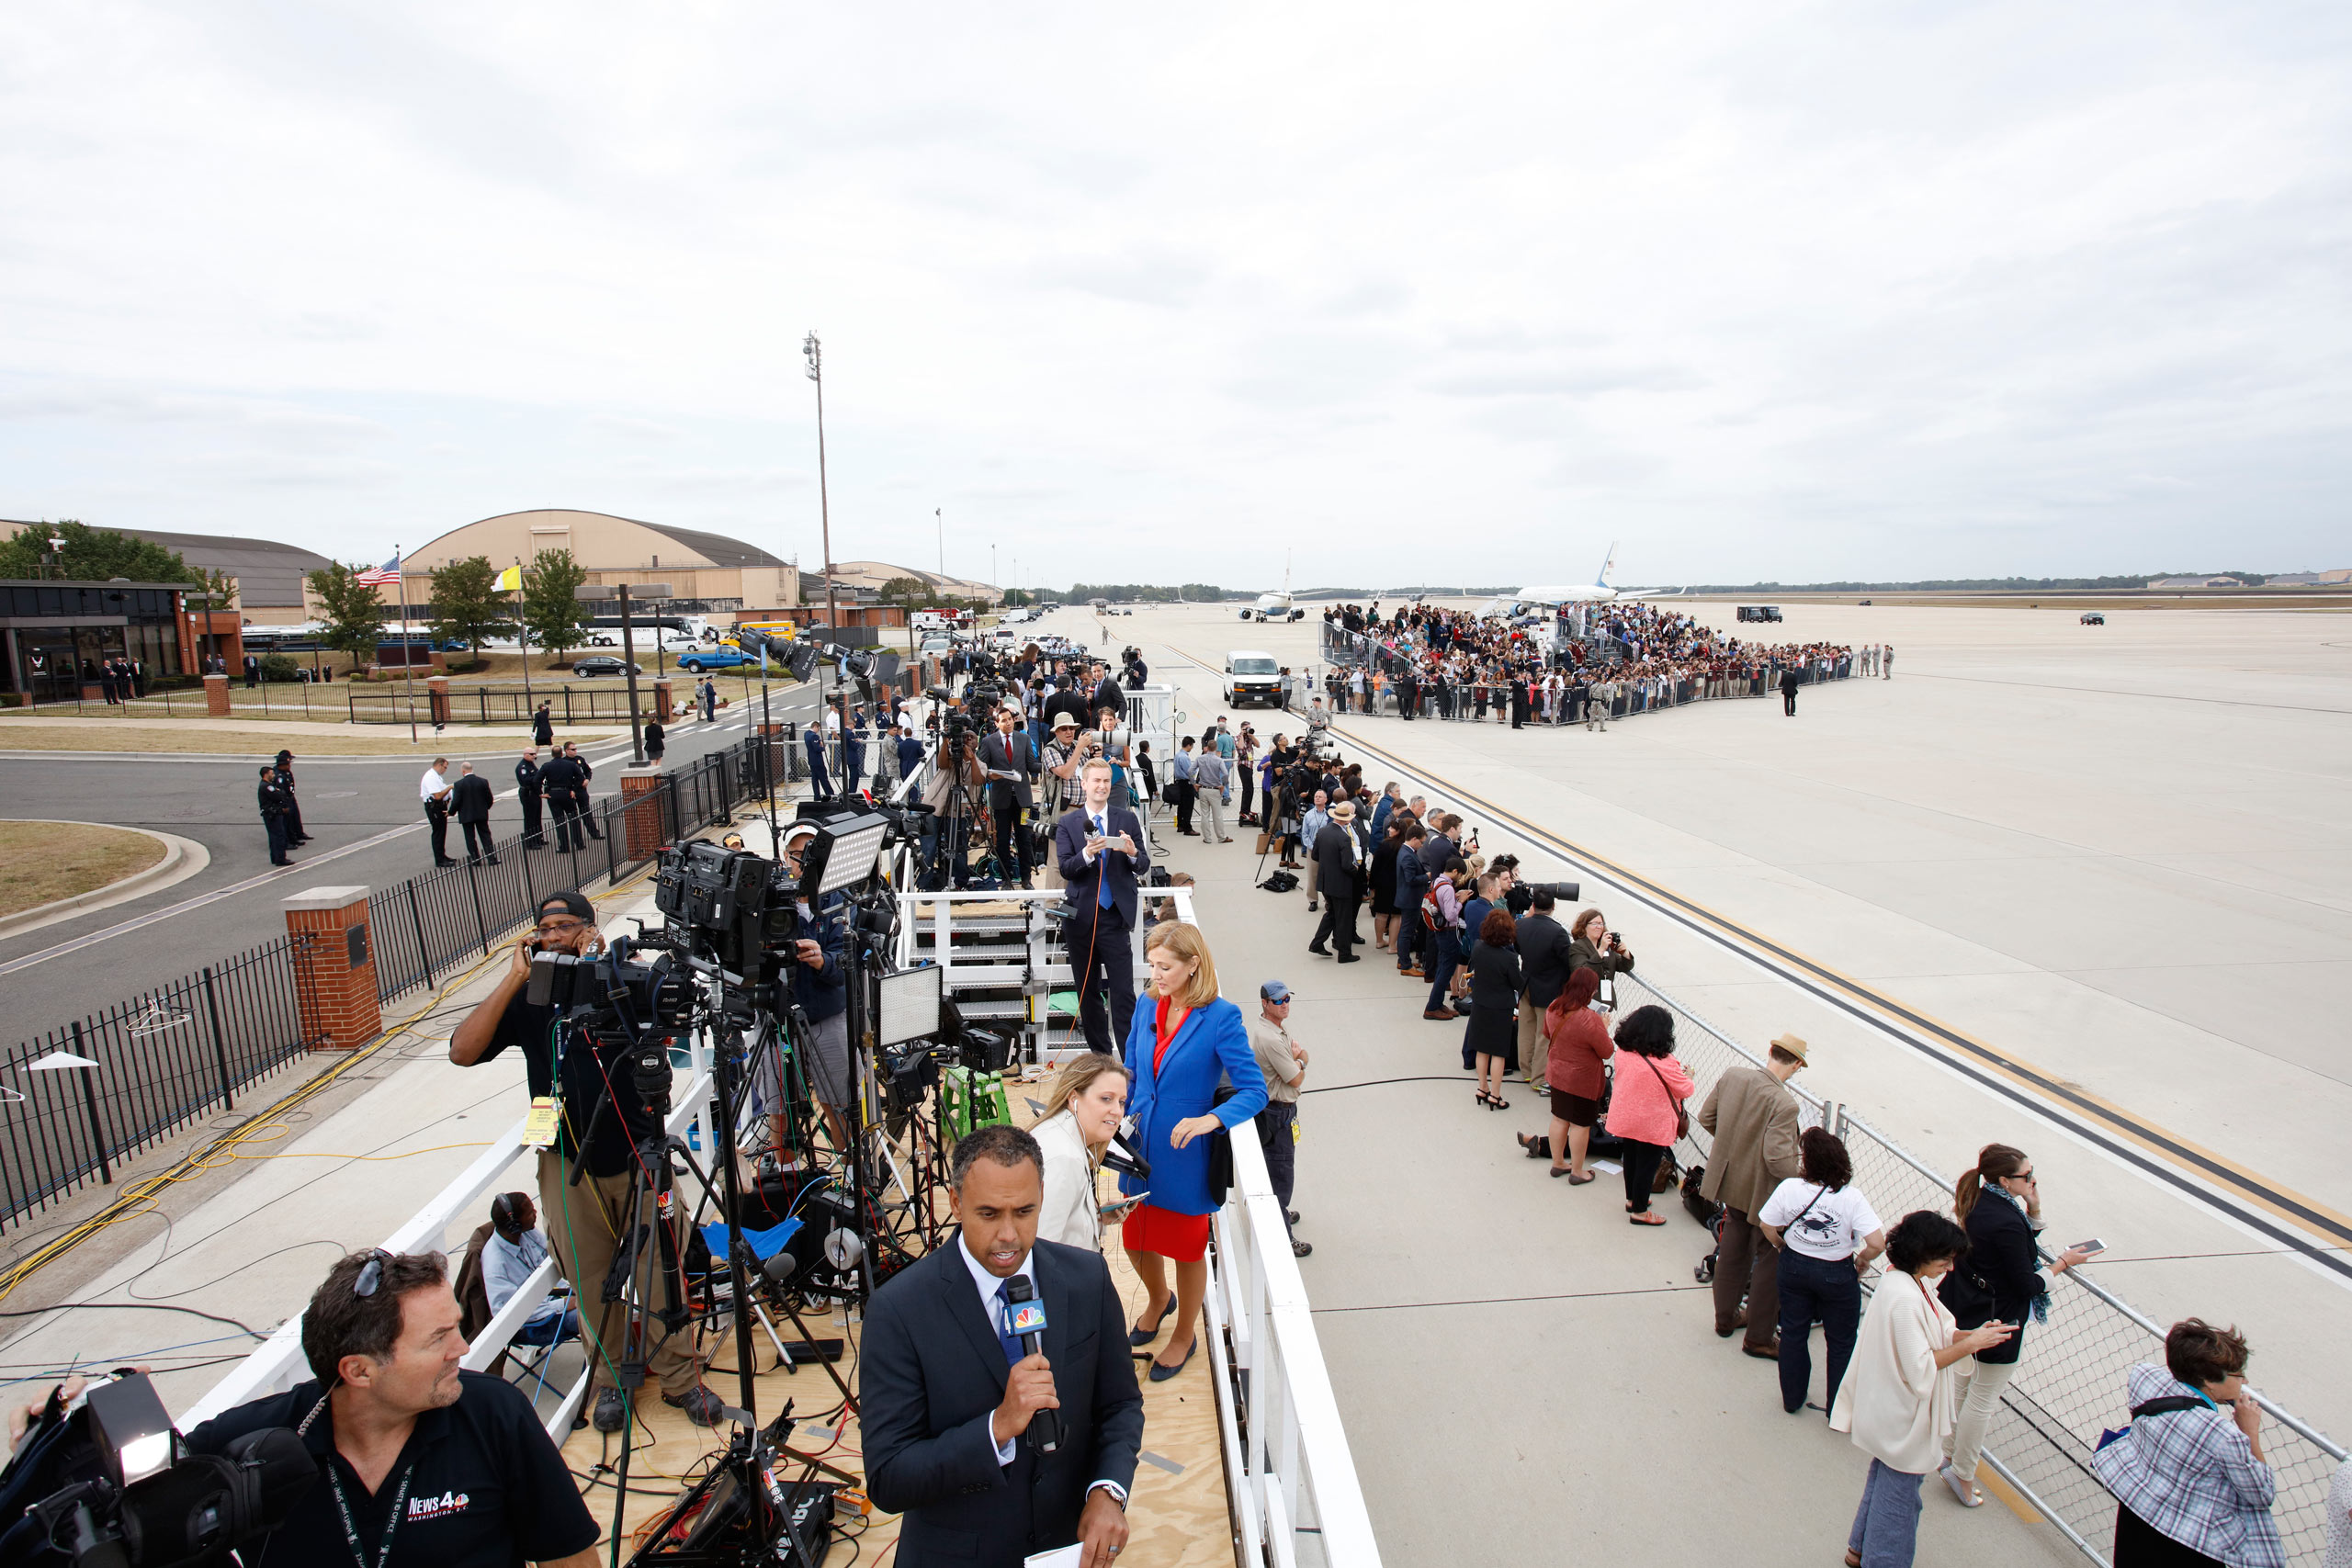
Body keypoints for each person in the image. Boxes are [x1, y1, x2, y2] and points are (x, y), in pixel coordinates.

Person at [447, 891, 720, 1433]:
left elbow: (675, 1013)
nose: (552, 934)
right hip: (566, 1162)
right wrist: (512, 979)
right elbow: (462, 1050)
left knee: (661, 1271)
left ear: (590, 927)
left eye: (564, 924)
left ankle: (680, 1379)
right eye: (543, 926)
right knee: (591, 1279)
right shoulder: (527, 1000)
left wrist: (606, 964)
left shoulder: (622, 980)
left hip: (639, 1155)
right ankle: (613, 1379)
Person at [181, 1249, 601, 1568]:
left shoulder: (496, 1414)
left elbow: (570, 1556)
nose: (463, 1348)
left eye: (456, 1326)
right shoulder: (249, 1444)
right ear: (360, 1371)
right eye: (439, 1338)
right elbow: (138, 1504)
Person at [858, 1124, 1145, 1568]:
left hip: (1066, 1550)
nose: (1009, 1235)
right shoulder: (898, 1310)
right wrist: (996, 1428)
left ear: (1043, 1196)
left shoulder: (1087, 1278)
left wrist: (1107, 1491)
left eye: (1024, 1211)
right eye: (989, 1214)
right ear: (955, 1203)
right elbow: (889, 1478)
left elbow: (1120, 1405)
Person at [1118, 921, 1268, 1381]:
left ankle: (1185, 1333)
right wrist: (1111, 1108)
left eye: (1165, 967)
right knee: (1133, 1239)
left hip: (1185, 1156)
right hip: (1140, 1145)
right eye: (1153, 965)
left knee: (1186, 1249)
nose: (1156, 974)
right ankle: (1160, 1299)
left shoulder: (1221, 1017)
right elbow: (1130, 1069)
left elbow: (1254, 1090)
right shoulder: (1148, 1003)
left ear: (1192, 965)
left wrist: (1212, 1119)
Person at [1831, 1211, 2015, 1568]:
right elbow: (1920, 1368)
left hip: (1888, 1409)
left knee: (1884, 1479)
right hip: (1904, 1415)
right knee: (1900, 1500)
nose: (1949, 1266)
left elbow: (1932, 1337)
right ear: (1921, 1253)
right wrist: (1970, 1343)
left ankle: (1859, 1548)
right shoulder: (1906, 1298)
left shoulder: (1901, 1280)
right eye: (1945, 1258)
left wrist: (1974, 1336)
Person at [1939, 1144, 2095, 1506]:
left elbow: (2012, 1251)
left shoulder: (1983, 1202)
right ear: (2006, 1181)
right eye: (2027, 1175)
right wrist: (2062, 1264)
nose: (2033, 1179)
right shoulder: (2006, 1219)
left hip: (1968, 1306)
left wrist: (2034, 1210)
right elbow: (2027, 1281)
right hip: (1998, 1318)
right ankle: (1962, 1473)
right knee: (1982, 1399)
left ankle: (1946, 1456)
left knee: (1962, 1387)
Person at [2090, 1318, 2281, 1567]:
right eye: (2238, 1374)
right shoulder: (2223, 1436)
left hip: (2137, 1515)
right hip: (2187, 1542)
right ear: (2210, 1380)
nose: (2244, 1382)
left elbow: (2163, 1375)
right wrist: (2250, 1432)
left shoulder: (2144, 1380)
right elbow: (2262, 1492)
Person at [1697, 1031, 1808, 1358]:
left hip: (1731, 1181)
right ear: (1798, 1065)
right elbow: (1776, 1158)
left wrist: (1735, 1148)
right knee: (1770, 1259)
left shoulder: (1734, 1076)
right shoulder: (1784, 1104)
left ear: (1770, 1050)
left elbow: (1706, 1118)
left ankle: (1725, 1318)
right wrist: (1804, 1182)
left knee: (1732, 1247)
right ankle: (1759, 1337)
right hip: (1764, 1192)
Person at [1760, 1128, 1885, 1418]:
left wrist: (1782, 1246)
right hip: (1837, 1272)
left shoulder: (1790, 1188)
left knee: (1793, 1332)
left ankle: (1792, 1399)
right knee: (1841, 1341)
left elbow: (1767, 1224)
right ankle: (1837, 1409)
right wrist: (1863, 1260)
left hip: (1793, 1266)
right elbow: (1877, 1242)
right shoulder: (1851, 1198)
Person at [757, 820, 854, 1157]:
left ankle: (850, 1174)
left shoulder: (838, 901)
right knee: (778, 1108)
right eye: (799, 855)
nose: (804, 862)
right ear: (786, 857)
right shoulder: (766, 902)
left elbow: (846, 964)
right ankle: (784, 1173)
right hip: (777, 1023)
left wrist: (822, 960)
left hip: (828, 1017)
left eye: (812, 855)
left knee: (840, 1104)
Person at [1055, 758, 1151, 1055]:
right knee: (1088, 992)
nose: (1102, 786)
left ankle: (1130, 1059)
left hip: (1114, 917)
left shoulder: (1127, 819)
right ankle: (1101, 1057)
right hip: (1081, 918)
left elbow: (1143, 864)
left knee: (1124, 993)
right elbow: (1067, 869)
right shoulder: (1068, 823)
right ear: (1084, 784)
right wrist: (1086, 854)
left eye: (1106, 781)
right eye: (1096, 781)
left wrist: (1133, 852)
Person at [1033, 1053, 1135, 1251]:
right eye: (1106, 1099)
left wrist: (1096, 1216)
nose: (1117, 1110)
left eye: (1121, 1102)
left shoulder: (1060, 1135)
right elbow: (1042, 1249)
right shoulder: (1064, 1159)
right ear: (1073, 1099)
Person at [1602, 1004, 1690, 1225]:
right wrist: (1687, 1075)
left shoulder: (1623, 1051)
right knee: (1647, 1165)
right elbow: (1686, 1089)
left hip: (1626, 1115)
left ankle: (1633, 1199)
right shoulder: (1666, 1062)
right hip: (1652, 1122)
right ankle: (1640, 1212)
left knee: (1631, 1158)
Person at [1248, 980, 1311, 1258]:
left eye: (1287, 999)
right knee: (1281, 1174)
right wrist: (1300, 1060)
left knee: (1280, 1169)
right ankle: (1283, 1233)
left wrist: (1299, 1059)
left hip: (1281, 1110)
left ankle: (1280, 1211)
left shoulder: (1274, 1028)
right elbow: (1296, 1075)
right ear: (1265, 1003)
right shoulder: (1271, 1038)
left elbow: (1300, 1059)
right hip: (1277, 1113)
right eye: (1278, 1000)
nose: (1284, 1004)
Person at [480, 1191, 582, 1348]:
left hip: (556, 1298)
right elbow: (509, 1315)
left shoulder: (526, 1232)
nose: (535, 1213)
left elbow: (554, 1257)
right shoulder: (496, 1266)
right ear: (514, 1225)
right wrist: (563, 1304)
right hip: (534, 1324)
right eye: (529, 1213)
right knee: (594, 1316)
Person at [1462, 907, 1522, 1105]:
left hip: (1480, 1003)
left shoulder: (1478, 947)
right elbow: (1517, 983)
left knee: (1482, 1049)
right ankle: (1495, 1095)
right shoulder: (1509, 958)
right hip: (1500, 1008)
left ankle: (1482, 1088)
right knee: (1498, 1053)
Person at [1514, 886, 1575, 1083]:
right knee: (1543, 1035)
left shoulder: (1522, 926)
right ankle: (1539, 1078)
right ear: (1553, 906)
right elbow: (1568, 961)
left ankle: (1526, 1071)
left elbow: (1516, 948)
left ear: (1533, 905)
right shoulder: (1558, 932)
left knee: (1525, 1030)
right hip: (1549, 988)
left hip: (1526, 985)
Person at [979, 705, 1040, 888]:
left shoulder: (1024, 739)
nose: (1008, 723)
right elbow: (983, 769)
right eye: (1004, 720)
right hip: (1002, 799)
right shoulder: (989, 742)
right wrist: (991, 775)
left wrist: (1049, 766)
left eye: (1010, 719)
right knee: (1003, 840)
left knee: (1024, 838)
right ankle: (1006, 878)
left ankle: (1026, 878)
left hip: (1022, 799)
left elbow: (1031, 765)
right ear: (997, 723)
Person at [1308, 800, 1366, 962]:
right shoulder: (1344, 838)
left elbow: (1315, 855)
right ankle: (1344, 953)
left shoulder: (1323, 832)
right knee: (1344, 918)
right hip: (1341, 884)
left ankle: (1317, 943)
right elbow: (1347, 865)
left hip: (1326, 882)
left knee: (1332, 914)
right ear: (1346, 819)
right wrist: (1356, 871)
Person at [1421, 859, 1471, 1020]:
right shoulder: (1448, 888)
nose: (1460, 878)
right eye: (1460, 874)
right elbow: (1450, 914)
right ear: (1455, 871)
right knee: (1446, 971)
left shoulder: (1437, 881)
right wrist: (1461, 901)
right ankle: (1432, 1007)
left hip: (1440, 931)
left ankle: (1437, 1003)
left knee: (1443, 968)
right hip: (1449, 932)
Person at [1566, 908, 1634, 1008]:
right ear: (1584, 926)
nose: (1599, 927)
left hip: (1606, 1003)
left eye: (1601, 924)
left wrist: (1625, 953)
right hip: (1587, 1003)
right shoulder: (1578, 946)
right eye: (1594, 924)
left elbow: (1625, 966)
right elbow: (1581, 972)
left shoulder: (1605, 945)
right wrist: (1601, 950)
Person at [449, 761, 499, 865]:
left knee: (470, 837)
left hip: (466, 815)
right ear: (471, 770)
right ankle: (491, 858)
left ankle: (476, 860)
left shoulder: (459, 784)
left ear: (463, 771)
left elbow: (456, 801)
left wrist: (451, 812)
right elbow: (489, 798)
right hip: (481, 813)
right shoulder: (483, 781)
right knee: (485, 835)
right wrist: (486, 808)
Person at [538, 746, 584, 852]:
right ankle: (579, 843)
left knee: (559, 821)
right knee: (574, 819)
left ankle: (564, 846)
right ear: (562, 753)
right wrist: (574, 789)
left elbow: (537, 780)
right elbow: (580, 777)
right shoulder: (571, 765)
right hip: (567, 793)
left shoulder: (547, 766)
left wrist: (541, 793)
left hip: (553, 794)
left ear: (552, 754)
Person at [1193, 738, 1231, 844]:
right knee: (1217, 815)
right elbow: (1225, 774)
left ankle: (1207, 838)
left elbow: (1190, 770)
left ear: (1207, 748)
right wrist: (1223, 785)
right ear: (1216, 748)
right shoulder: (1219, 760)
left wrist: (1194, 783)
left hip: (1203, 789)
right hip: (1215, 789)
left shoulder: (1200, 758)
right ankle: (1221, 837)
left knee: (1205, 815)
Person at [419, 757, 456, 867]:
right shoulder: (430, 777)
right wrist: (450, 787)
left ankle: (442, 855)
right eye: (445, 767)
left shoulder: (436, 776)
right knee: (438, 833)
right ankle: (439, 860)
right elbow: (438, 796)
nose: (445, 770)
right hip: (434, 807)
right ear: (439, 765)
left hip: (440, 807)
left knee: (442, 831)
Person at [257, 763, 296, 866]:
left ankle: (275, 857)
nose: (273, 775)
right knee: (279, 836)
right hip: (273, 814)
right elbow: (279, 796)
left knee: (274, 836)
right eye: (271, 773)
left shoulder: (267, 785)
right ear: (266, 774)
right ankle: (280, 858)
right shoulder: (267, 787)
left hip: (271, 814)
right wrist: (280, 792)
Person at [562, 742, 603, 839]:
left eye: (576, 749)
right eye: (572, 749)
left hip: (581, 790)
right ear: (566, 750)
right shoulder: (564, 762)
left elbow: (588, 771)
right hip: (571, 790)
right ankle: (577, 837)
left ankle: (594, 834)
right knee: (573, 815)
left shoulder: (580, 759)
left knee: (586, 812)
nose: (575, 751)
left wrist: (587, 779)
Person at [272, 750, 311, 845]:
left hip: (290, 797)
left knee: (295, 817)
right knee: (287, 821)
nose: (290, 765)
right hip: (285, 800)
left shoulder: (287, 772)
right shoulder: (279, 775)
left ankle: (298, 834)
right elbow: (280, 792)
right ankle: (289, 840)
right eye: (288, 763)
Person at [514, 747, 546, 849]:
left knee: (537, 816)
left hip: (535, 792)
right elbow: (525, 780)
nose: (534, 756)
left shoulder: (530, 764)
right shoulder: (522, 767)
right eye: (532, 754)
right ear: (525, 755)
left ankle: (538, 838)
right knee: (530, 818)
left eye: (534, 754)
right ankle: (530, 841)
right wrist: (537, 778)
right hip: (528, 793)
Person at [1170, 736, 1197, 835]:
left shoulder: (1177, 755)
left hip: (1179, 782)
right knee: (1188, 806)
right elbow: (1190, 772)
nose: (1192, 748)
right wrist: (1194, 782)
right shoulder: (1185, 757)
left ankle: (1180, 825)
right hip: (1186, 783)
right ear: (1189, 745)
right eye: (1192, 746)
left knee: (1181, 805)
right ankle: (1187, 828)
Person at [804, 718, 834, 800]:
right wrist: (823, 747)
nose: (818, 730)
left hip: (811, 760)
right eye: (818, 729)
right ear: (815, 727)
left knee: (815, 779)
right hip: (817, 760)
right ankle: (830, 794)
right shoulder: (814, 736)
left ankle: (816, 795)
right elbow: (817, 748)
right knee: (823, 777)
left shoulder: (806, 734)